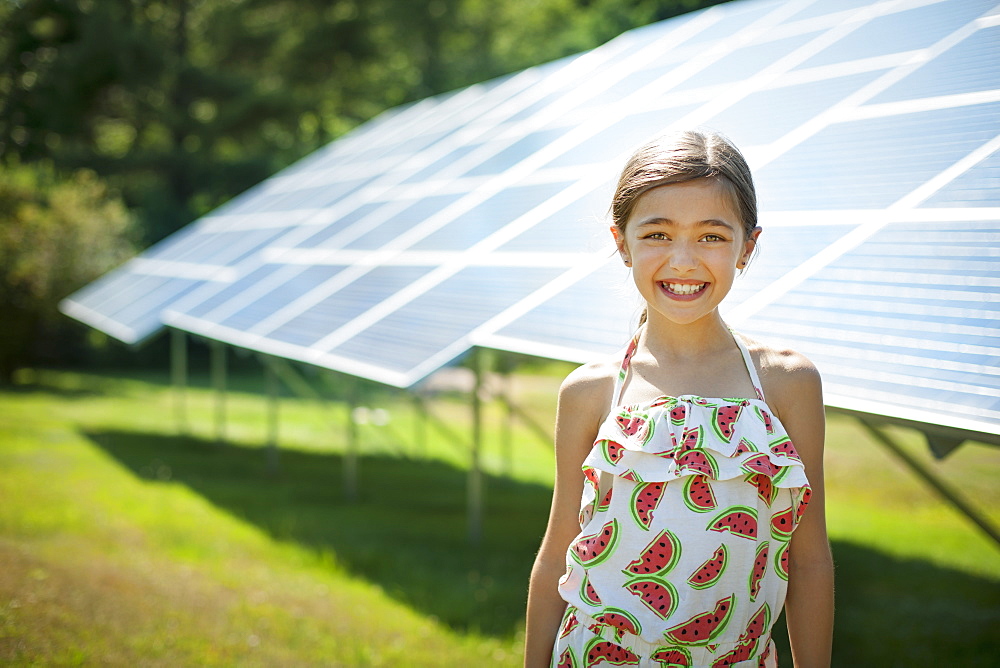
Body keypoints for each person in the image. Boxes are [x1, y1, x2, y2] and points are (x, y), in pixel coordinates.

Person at [524, 129, 834, 668]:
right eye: (658, 235)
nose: (684, 261)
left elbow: (808, 561)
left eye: (711, 236)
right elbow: (558, 555)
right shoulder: (589, 391)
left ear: (748, 247)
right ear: (622, 243)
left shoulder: (787, 382)